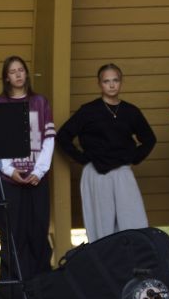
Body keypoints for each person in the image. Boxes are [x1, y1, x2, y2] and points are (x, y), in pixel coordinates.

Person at [56, 63, 156, 241]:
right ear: (99, 84)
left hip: (122, 172)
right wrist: (83, 158)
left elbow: (149, 139)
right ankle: (104, 258)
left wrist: (133, 157)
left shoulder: (131, 111)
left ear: (121, 82)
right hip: (97, 172)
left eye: (115, 80)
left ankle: (134, 258)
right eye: (106, 81)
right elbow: (63, 136)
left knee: (133, 221)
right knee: (102, 225)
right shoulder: (88, 111)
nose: (111, 85)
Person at [0, 55, 56, 281]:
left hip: (37, 179)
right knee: (12, 235)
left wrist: (39, 171)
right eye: (12, 71)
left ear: (26, 73)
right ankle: (13, 289)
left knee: (38, 233)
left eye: (21, 70)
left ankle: (41, 287)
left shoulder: (40, 102)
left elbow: (49, 139)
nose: (18, 74)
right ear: (6, 77)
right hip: (9, 181)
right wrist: (10, 170)